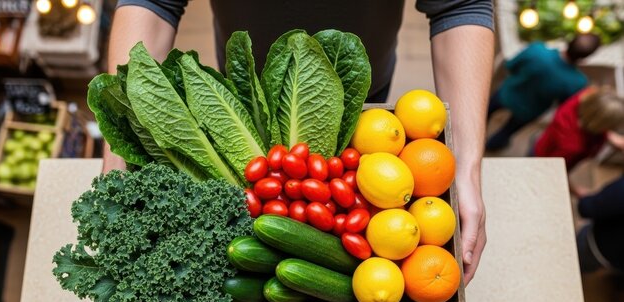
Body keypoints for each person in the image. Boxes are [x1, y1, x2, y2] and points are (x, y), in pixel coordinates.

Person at [103, 0, 495, 284]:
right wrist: (117, 154)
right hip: (245, 98)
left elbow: (459, 5)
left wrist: (467, 169)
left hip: (362, 94)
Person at [486, 34, 601, 151]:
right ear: (587, 58)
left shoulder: (537, 50)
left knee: (485, 113)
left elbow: (510, 65)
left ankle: (472, 132)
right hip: (529, 111)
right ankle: (493, 145)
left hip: (507, 93)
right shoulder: (578, 82)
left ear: (568, 41)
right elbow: (562, 104)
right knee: (507, 131)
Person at [532, 86, 624, 174]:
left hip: (542, 142)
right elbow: (554, 170)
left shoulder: (581, 97)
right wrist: (574, 189)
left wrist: (609, 136)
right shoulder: (574, 147)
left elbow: (593, 119)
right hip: (542, 161)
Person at [576, 175, 624, 274]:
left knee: (571, 261)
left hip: (596, 245)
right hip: (613, 259)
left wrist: (586, 199)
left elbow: (586, 208)